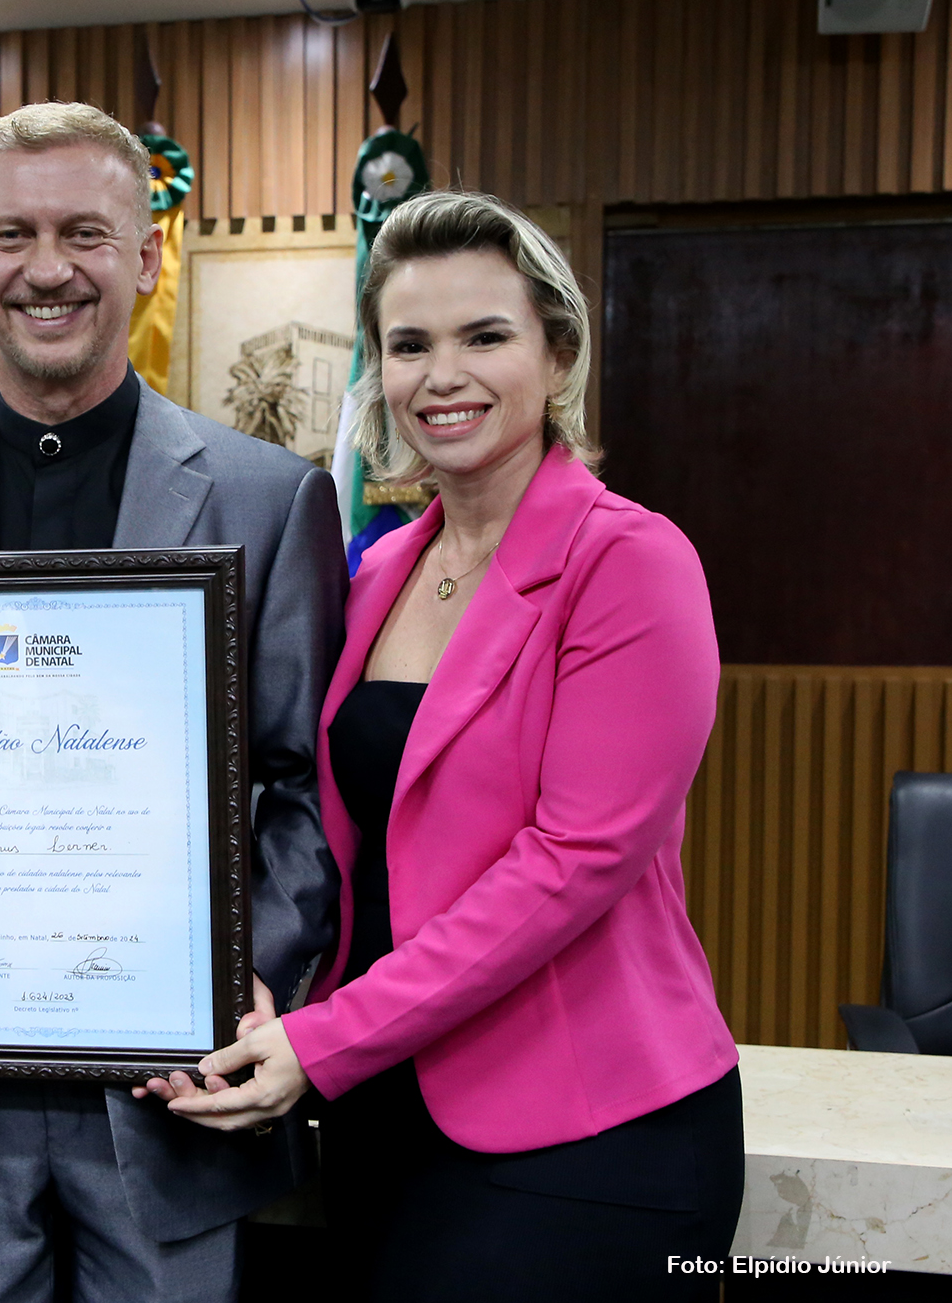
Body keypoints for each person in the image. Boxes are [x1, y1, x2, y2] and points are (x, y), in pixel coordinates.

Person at [160, 190, 743, 1300]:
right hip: (381, 1108)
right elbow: (328, 833)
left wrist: (328, 1038)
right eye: (409, 344)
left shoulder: (630, 560)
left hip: (584, 1134)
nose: (442, 375)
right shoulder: (378, 569)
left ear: (556, 355)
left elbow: (570, 862)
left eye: (484, 337)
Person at [0, 101, 346, 1303]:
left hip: (171, 1085)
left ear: (146, 256)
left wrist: (244, 971)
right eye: (10, 235)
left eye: (84, 234)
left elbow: (300, 781)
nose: (45, 268)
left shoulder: (269, 498)